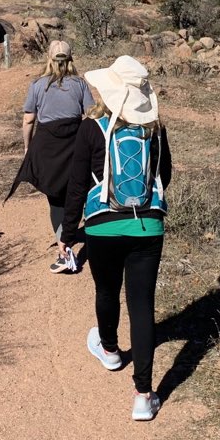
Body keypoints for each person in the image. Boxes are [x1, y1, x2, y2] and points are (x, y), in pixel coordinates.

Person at [61, 55, 172, 420]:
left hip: (102, 226)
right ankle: (143, 396)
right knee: (142, 306)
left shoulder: (91, 127)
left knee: (107, 290)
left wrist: (68, 232)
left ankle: (109, 350)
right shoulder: (155, 129)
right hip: (147, 227)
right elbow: (165, 176)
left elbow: (77, 183)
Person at [6, 40, 94, 273]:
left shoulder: (38, 85)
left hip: (47, 146)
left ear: (49, 58)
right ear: (71, 59)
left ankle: (64, 250)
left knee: (56, 198)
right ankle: (80, 236)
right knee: (77, 192)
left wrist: (28, 147)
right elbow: (91, 114)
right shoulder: (80, 84)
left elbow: (28, 120)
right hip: (75, 145)